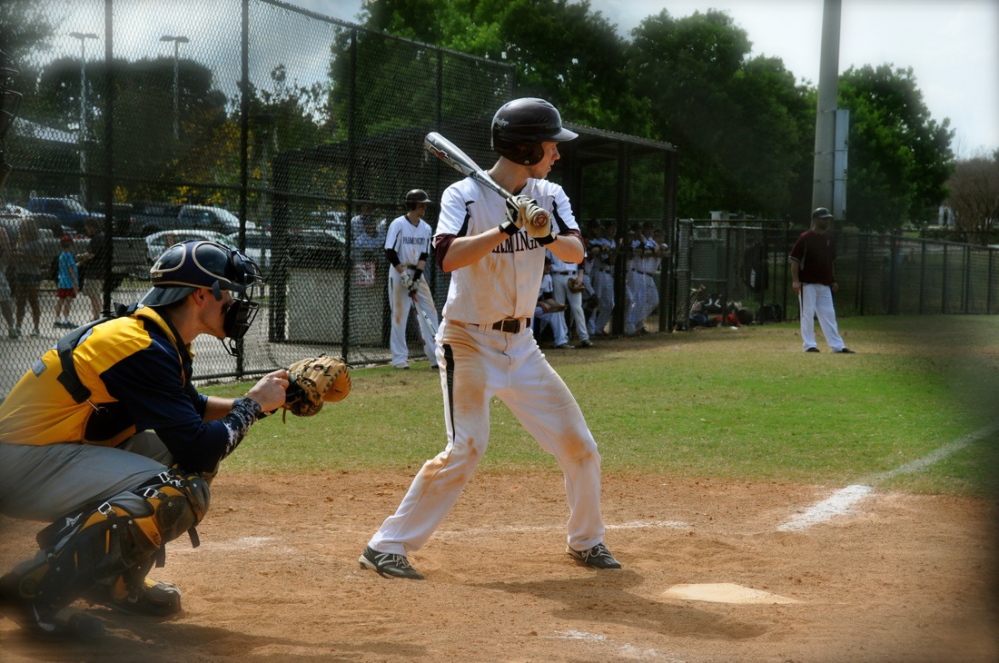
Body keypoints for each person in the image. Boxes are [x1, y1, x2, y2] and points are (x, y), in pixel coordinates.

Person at [359, 97, 620, 580]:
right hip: (468, 341)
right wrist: (506, 226)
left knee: (580, 446)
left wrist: (539, 231)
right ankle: (386, 545)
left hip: (523, 348)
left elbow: (575, 252)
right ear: (524, 148)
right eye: (549, 146)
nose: (556, 154)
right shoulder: (464, 195)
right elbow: (449, 258)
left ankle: (587, 540)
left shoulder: (549, 194)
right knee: (467, 446)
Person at [0, 240, 288, 637]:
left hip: (50, 451)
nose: (236, 305)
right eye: (229, 294)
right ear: (201, 294)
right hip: (20, 462)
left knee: (178, 465)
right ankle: (31, 590)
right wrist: (252, 406)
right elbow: (199, 446)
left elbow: (190, 407)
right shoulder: (141, 346)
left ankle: (113, 583)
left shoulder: (155, 337)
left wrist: (264, 402)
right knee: (177, 489)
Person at [384, 189, 439, 370]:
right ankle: (400, 359)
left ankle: (436, 357)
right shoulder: (398, 224)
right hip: (399, 271)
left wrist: (415, 279)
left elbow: (424, 255)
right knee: (400, 315)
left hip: (417, 274)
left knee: (430, 311)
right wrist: (404, 276)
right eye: (422, 204)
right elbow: (390, 252)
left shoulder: (426, 227)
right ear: (413, 205)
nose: (424, 208)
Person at [790, 207, 855, 353]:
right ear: (815, 219)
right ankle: (809, 345)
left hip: (824, 284)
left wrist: (833, 280)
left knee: (829, 314)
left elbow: (830, 261)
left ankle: (837, 346)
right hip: (807, 283)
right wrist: (795, 280)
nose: (826, 221)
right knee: (807, 314)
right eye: (823, 218)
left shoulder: (829, 238)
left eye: (827, 219)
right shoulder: (805, 238)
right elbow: (794, 260)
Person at [547, 248, 592, 347]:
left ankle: (584, 337)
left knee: (577, 308)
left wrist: (580, 276)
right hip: (556, 275)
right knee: (560, 308)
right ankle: (563, 339)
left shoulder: (575, 239)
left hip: (573, 276)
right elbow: (547, 260)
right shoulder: (553, 239)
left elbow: (581, 261)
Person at [11, 215, 45, 337]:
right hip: (20, 273)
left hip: (32, 274)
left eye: (22, 226)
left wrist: (23, 256)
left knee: (33, 301)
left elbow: (39, 261)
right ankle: (18, 325)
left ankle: (36, 327)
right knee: (20, 302)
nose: (20, 228)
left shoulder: (37, 242)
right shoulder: (20, 240)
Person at [77, 217, 112, 321]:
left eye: (87, 228)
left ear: (92, 227)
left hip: (95, 271)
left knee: (94, 295)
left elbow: (91, 255)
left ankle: (97, 316)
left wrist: (80, 256)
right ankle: (98, 315)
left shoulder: (97, 238)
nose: (87, 230)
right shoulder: (103, 236)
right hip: (102, 269)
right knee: (95, 294)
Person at [534, 255, 571, 348]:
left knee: (555, 313)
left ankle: (561, 342)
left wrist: (558, 305)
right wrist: (542, 304)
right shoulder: (530, 278)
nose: (548, 267)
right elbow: (524, 300)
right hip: (523, 307)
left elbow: (548, 297)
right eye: (546, 265)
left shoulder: (547, 278)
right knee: (528, 317)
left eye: (549, 265)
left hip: (536, 306)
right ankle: (528, 344)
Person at [589, 220, 617, 336]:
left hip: (609, 275)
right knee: (595, 301)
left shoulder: (613, 242)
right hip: (598, 272)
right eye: (610, 228)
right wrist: (614, 252)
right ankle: (590, 330)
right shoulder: (599, 242)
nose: (612, 230)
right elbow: (608, 261)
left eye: (614, 228)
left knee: (610, 304)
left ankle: (598, 328)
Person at [53, 234, 80, 329]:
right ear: (71, 245)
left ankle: (57, 319)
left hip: (62, 281)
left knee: (60, 300)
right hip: (69, 282)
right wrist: (75, 282)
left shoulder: (61, 255)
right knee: (68, 301)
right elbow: (70, 269)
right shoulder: (69, 256)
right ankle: (66, 320)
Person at [0, 224, 16, 338]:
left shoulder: (1, 231)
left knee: (4, 300)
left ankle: (11, 327)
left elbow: (7, 251)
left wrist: (2, 264)